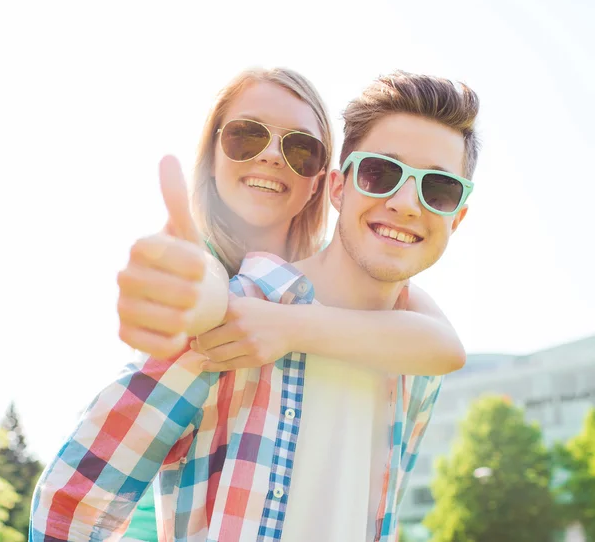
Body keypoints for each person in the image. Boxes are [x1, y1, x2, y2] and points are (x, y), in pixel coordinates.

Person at [30, 68, 473, 542]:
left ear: (458, 217)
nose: (407, 203)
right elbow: (69, 506)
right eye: (381, 173)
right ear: (338, 187)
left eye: (438, 189)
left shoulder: (415, 363)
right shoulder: (239, 318)